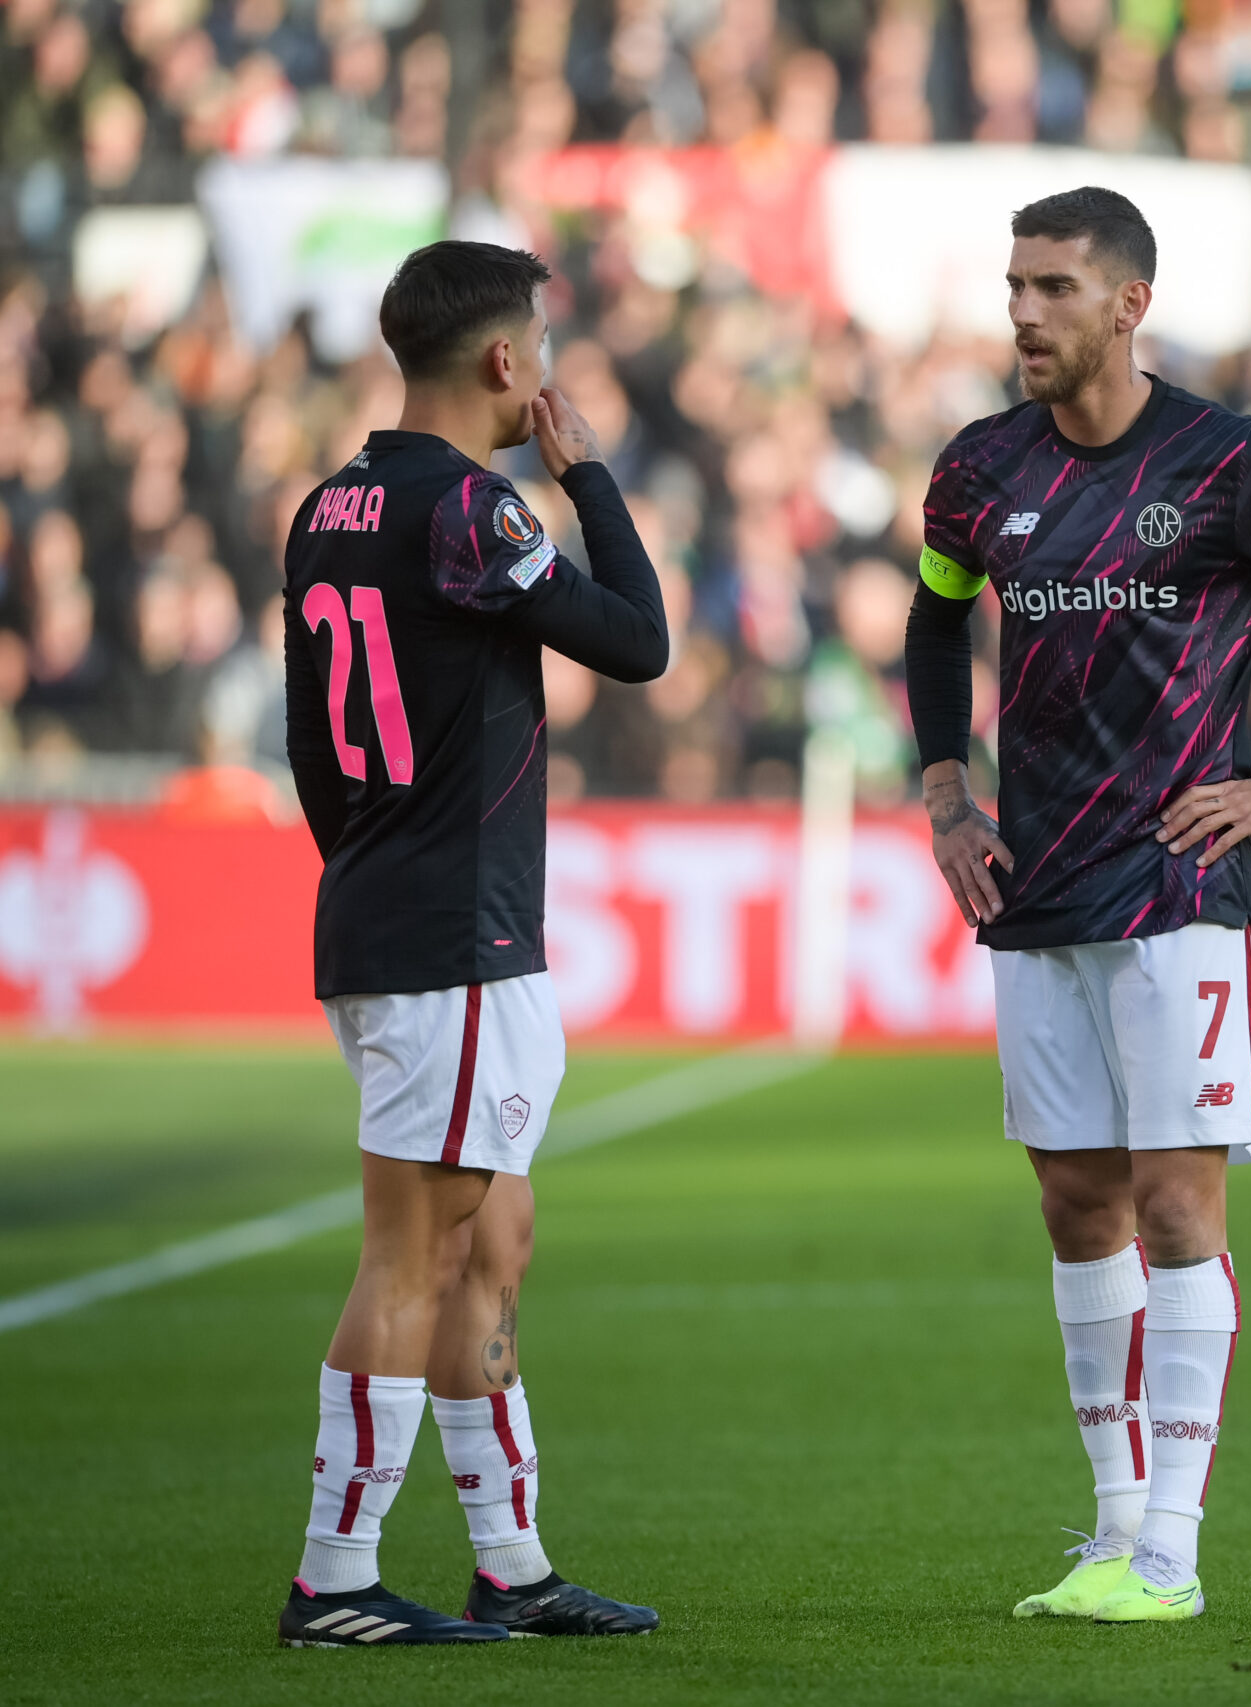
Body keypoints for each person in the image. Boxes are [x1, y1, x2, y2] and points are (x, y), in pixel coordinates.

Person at [904, 187, 1251, 1623]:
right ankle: (1108, 1535)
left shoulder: (1236, 464)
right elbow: (931, 609)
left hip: (1176, 881)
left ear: (1129, 305)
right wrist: (947, 790)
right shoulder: (978, 469)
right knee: (1076, 1202)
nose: (1024, 312)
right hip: (1034, 882)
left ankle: (1172, 1556)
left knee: (1174, 1203)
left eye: (1055, 289)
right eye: (1015, 284)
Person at [275, 240, 669, 1647]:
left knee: (493, 1231)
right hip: (449, 929)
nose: (547, 373)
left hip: (393, 905)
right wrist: (588, 476)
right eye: (539, 347)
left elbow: (312, 745)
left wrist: (374, 863)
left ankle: (511, 1562)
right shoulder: (469, 512)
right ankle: (335, 1581)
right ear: (506, 361)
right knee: (416, 1252)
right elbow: (637, 642)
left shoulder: (329, 507)